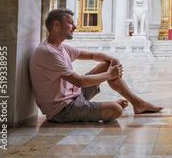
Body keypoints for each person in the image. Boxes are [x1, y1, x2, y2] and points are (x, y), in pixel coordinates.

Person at [29, 8, 163, 122]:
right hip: (62, 109)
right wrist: (109, 75)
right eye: (70, 23)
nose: (75, 26)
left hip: (74, 95)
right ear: (56, 25)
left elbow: (93, 55)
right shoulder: (48, 52)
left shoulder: (61, 47)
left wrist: (113, 59)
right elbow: (79, 81)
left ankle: (137, 103)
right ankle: (104, 106)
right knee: (115, 110)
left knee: (105, 65)